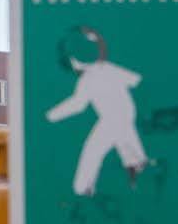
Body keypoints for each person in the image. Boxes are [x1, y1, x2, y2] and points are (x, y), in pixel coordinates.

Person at [45, 33, 148, 196]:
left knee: (94, 150)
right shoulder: (106, 69)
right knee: (127, 146)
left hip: (114, 117)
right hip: (122, 115)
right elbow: (137, 81)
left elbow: (78, 104)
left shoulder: (89, 78)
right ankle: (137, 173)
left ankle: (84, 188)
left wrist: (51, 116)